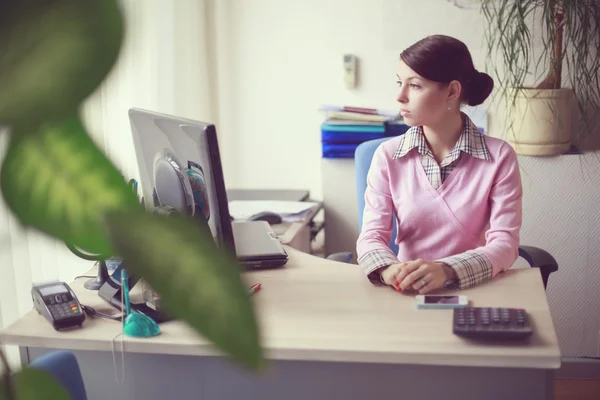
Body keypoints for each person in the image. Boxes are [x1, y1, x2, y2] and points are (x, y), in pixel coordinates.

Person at [356, 34, 522, 294]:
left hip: (476, 290)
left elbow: (505, 243)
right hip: (406, 290)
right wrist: (389, 270)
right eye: (400, 83)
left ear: (453, 91)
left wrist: (446, 270)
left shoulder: (499, 156)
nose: (400, 96)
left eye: (415, 86)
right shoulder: (387, 156)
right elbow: (371, 237)